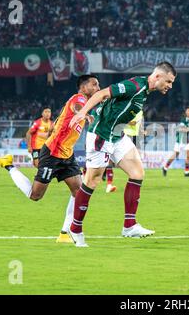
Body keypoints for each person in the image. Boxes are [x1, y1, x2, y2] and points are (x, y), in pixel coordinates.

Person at [68, 61, 177, 247]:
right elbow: (102, 93)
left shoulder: (144, 91)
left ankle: (129, 226)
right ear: (157, 76)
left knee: (137, 173)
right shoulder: (134, 85)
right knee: (92, 181)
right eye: (168, 81)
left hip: (117, 135)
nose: (170, 86)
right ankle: (75, 228)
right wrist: (82, 113)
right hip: (101, 135)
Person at [0, 75, 100, 243]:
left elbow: (57, 123)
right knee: (35, 195)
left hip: (66, 155)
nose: (98, 88)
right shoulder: (80, 99)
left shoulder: (82, 104)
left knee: (79, 193)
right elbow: (77, 108)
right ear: (84, 87)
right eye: (94, 84)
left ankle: (65, 233)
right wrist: (84, 114)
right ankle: (9, 165)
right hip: (53, 153)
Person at [162, 107, 189, 177]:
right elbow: (180, 129)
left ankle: (186, 172)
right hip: (180, 140)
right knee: (175, 155)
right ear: (186, 112)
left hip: (186, 140)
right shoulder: (183, 119)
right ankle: (165, 167)